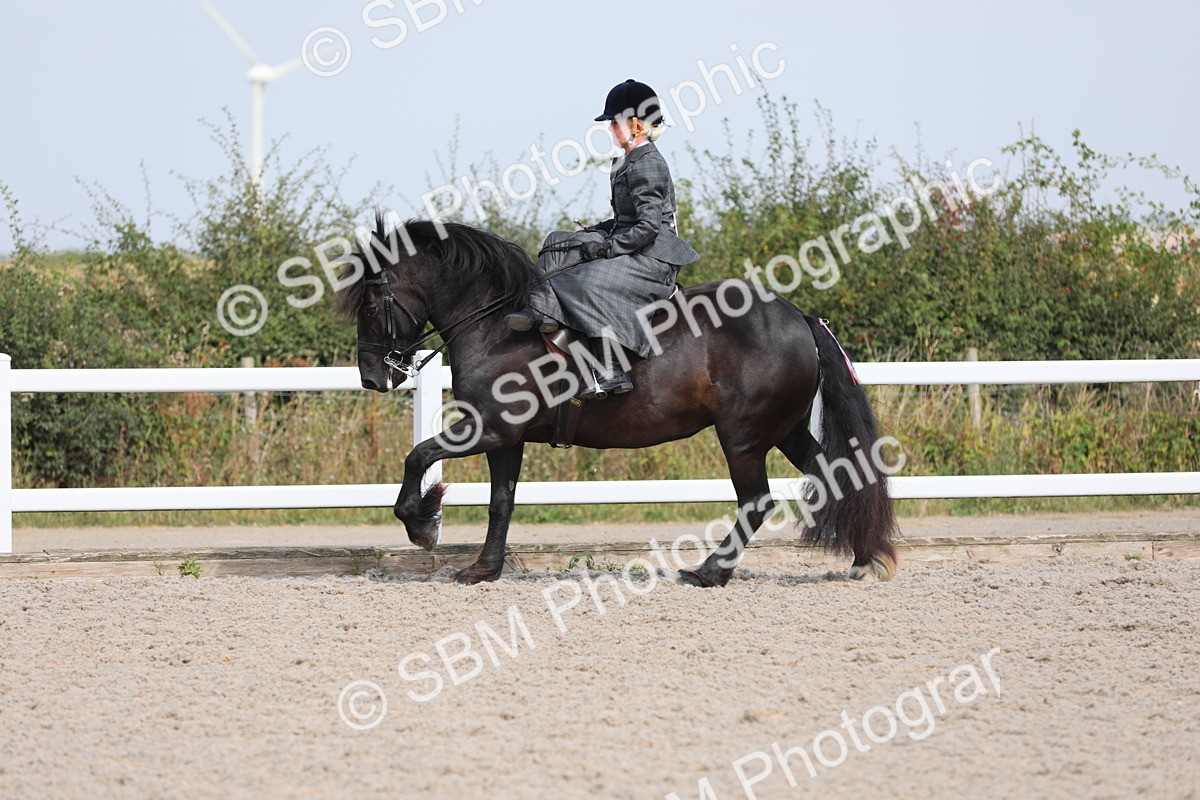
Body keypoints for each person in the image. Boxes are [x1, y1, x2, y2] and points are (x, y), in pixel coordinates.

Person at [504, 78, 700, 399]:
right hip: (632, 244)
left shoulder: (648, 164)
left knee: (588, 281)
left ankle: (612, 369)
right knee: (556, 242)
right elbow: (626, 220)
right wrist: (596, 231)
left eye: (614, 122)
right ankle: (540, 311)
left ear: (636, 125)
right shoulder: (627, 161)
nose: (610, 128)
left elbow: (649, 227)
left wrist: (608, 247)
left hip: (654, 258)